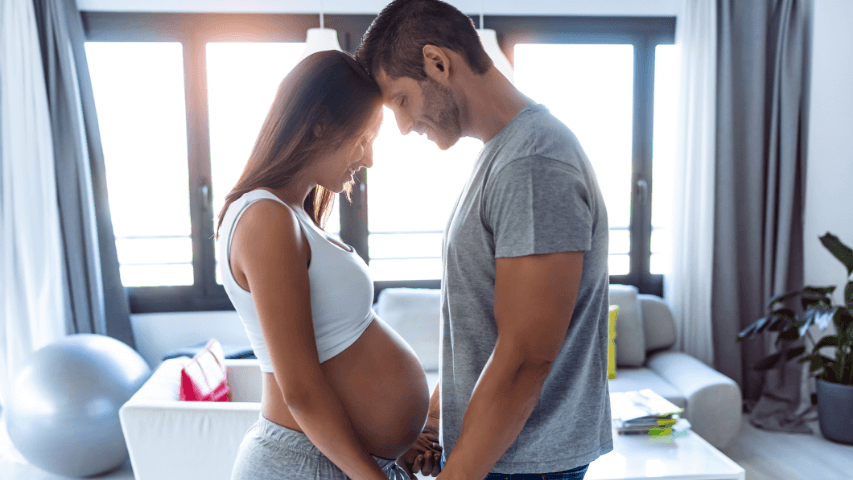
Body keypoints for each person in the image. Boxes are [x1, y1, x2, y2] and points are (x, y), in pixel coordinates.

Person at [355, 1, 613, 479]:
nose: (404, 126)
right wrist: (437, 417)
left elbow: (526, 358)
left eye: (401, 101)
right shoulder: (505, 155)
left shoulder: (532, 162)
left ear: (438, 63)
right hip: (507, 459)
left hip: (523, 464)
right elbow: (487, 334)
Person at [216, 50, 433, 480]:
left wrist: (394, 446)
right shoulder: (265, 218)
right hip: (305, 463)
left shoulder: (291, 214)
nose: (368, 159)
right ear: (319, 125)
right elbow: (299, 389)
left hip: (333, 458)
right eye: (364, 139)